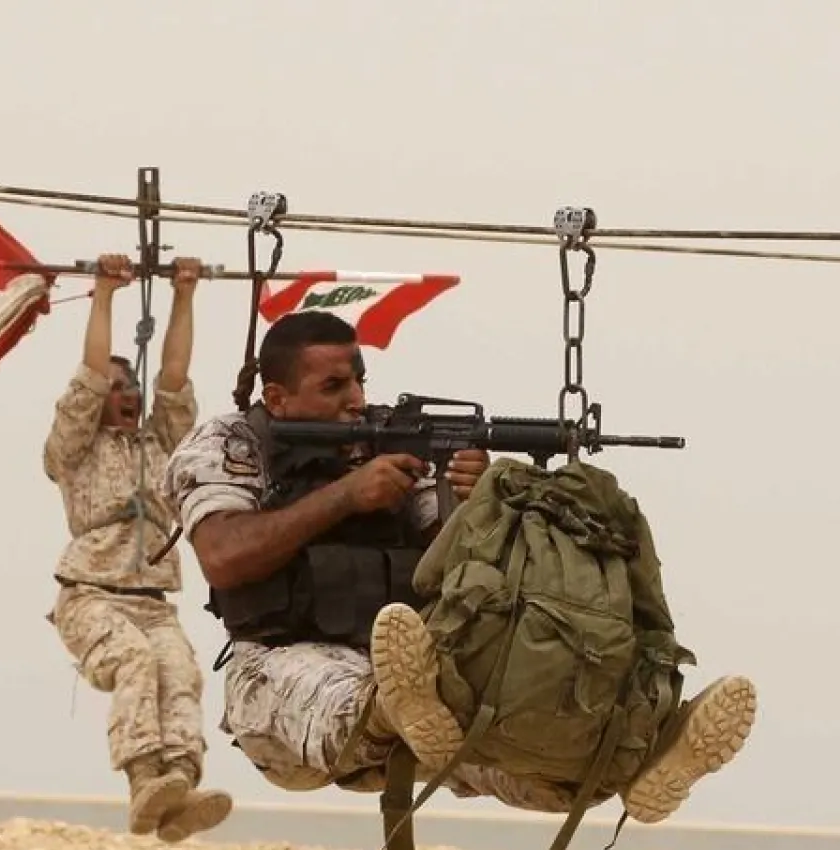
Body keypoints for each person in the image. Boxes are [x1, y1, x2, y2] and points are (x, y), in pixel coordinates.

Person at [161, 308, 757, 820]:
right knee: (374, 700)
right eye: (334, 386)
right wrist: (348, 494)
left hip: (414, 678)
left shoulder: (387, 443)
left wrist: (473, 500)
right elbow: (224, 556)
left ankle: (637, 754)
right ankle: (396, 704)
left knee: (523, 748)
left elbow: (456, 567)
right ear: (278, 397)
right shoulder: (233, 442)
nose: (356, 402)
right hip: (281, 673)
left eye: (360, 382)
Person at [43, 253, 233, 844]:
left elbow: (173, 379)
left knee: (179, 669)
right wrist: (104, 294)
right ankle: (142, 780)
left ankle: (178, 784)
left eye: (132, 388)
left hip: (152, 598)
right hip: (92, 596)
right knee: (135, 661)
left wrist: (184, 293)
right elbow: (90, 376)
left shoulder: (163, 444)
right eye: (116, 388)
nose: (126, 395)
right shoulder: (73, 450)